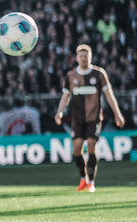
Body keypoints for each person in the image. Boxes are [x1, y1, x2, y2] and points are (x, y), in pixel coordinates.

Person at [53, 44, 125, 192]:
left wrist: (117, 114)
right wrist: (60, 112)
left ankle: (91, 182)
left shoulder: (99, 74)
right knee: (77, 149)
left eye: (86, 56)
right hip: (77, 119)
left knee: (91, 145)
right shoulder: (70, 76)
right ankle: (82, 178)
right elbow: (65, 97)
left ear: (90, 57)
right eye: (81, 56)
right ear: (77, 58)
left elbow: (109, 95)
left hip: (94, 118)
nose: (84, 58)